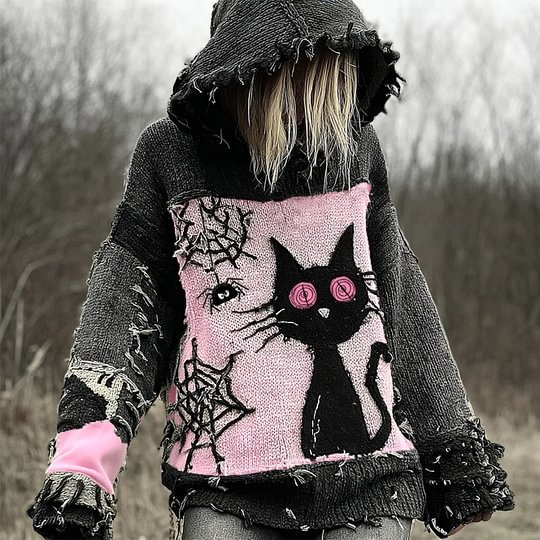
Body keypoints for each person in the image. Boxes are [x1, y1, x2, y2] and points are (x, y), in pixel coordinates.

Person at [26, 1, 515, 539]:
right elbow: (125, 304)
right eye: (297, 75)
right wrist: (83, 462)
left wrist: (450, 447)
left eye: (328, 77)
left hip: (371, 481)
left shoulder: (354, 151)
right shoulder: (170, 156)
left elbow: (398, 296)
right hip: (224, 483)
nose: (315, 104)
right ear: (247, 63)